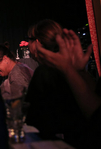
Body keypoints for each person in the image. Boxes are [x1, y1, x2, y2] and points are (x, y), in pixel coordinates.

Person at [25, 19, 91, 147]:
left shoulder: (44, 73)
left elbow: (33, 122)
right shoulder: (75, 69)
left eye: (29, 40)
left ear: (37, 42)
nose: (27, 44)